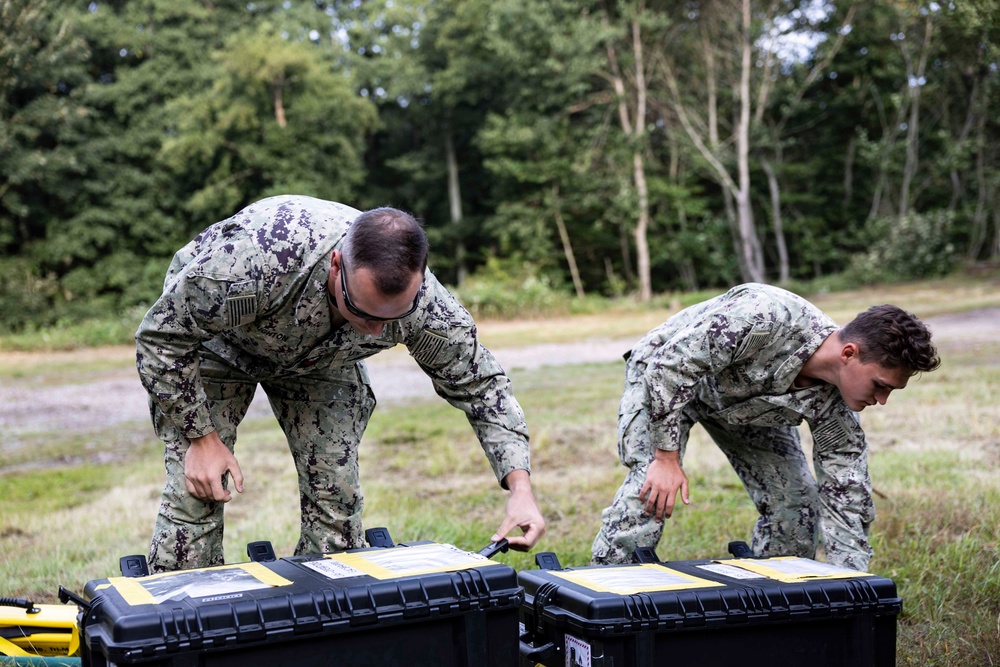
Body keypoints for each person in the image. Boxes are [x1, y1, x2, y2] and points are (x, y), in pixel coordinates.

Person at [136, 195, 545, 572]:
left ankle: (322, 629)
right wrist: (201, 438)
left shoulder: (426, 306)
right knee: (197, 494)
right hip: (219, 345)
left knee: (337, 503)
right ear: (336, 266)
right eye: (362, 312)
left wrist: (520, 488)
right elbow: (161, 338)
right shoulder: (252, 263)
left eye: (389, 320)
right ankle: (179, 629)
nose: (373, 331)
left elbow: (482, 387)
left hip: (321, 365)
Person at [591, 283, 940, 571]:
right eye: (880, 385)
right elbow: (670, 369)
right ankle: (601, 599)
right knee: (650, 488)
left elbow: (847, 495)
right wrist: (665, 459)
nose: (881, 400)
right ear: (849, 353)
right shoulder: (766, 316)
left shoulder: (839, 408)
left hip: (747, 409)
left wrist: (851, 589)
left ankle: (770, 604)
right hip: (666, 383)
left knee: (797, 503)